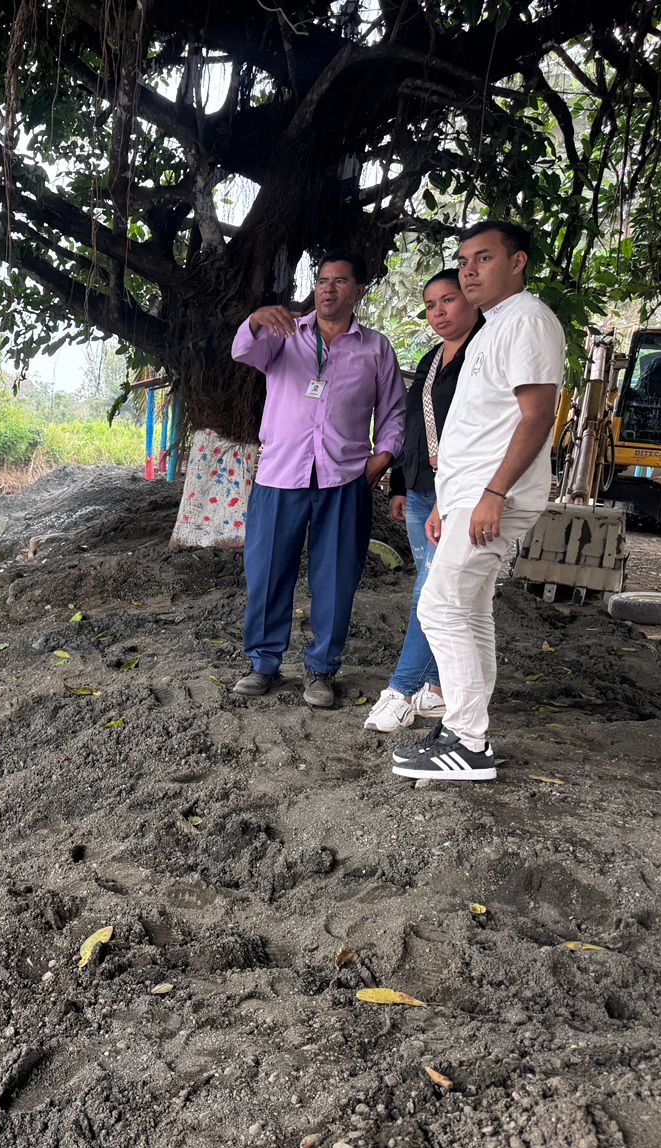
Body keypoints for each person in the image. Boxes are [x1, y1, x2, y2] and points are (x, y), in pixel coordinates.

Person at [391, 219, 564, 781]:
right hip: (468, 496)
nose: (469, 270)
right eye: (464, 260)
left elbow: (537, 417)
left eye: (483, 258)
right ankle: (468, 732)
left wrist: (493, 493)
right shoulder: (494, 327)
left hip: (493, 495)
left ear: (517, 262)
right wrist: (448, 501)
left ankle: (468, 741)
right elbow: (479, 426)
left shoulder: (528, 320)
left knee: (440, 607)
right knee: (468, 610)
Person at [230, 250, 406, 708]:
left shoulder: (376, 348)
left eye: (340, 281)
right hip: (280, 474)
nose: (328, 288)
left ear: (359, 290)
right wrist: (255, 320)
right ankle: (263, 664)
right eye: (323, 280)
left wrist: (382, 458)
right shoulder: (284, 333)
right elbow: (243, 351)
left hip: (344, 478)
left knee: (336, 578)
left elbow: (393, 411)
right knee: (267, 573)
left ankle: (322, 669)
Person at [363, 269, 484, 732]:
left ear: (471, 299)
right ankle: (435, 688)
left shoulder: (484, 352)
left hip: (455, 493)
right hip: (418, 489)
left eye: (448, 300)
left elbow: (483, 433)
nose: (438, 312)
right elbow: (415, 425)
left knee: (431, 591)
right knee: (435, 587)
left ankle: (401, 690)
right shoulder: (433, 357)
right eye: (430, 305)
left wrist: (444, 497)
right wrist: (399, 484)